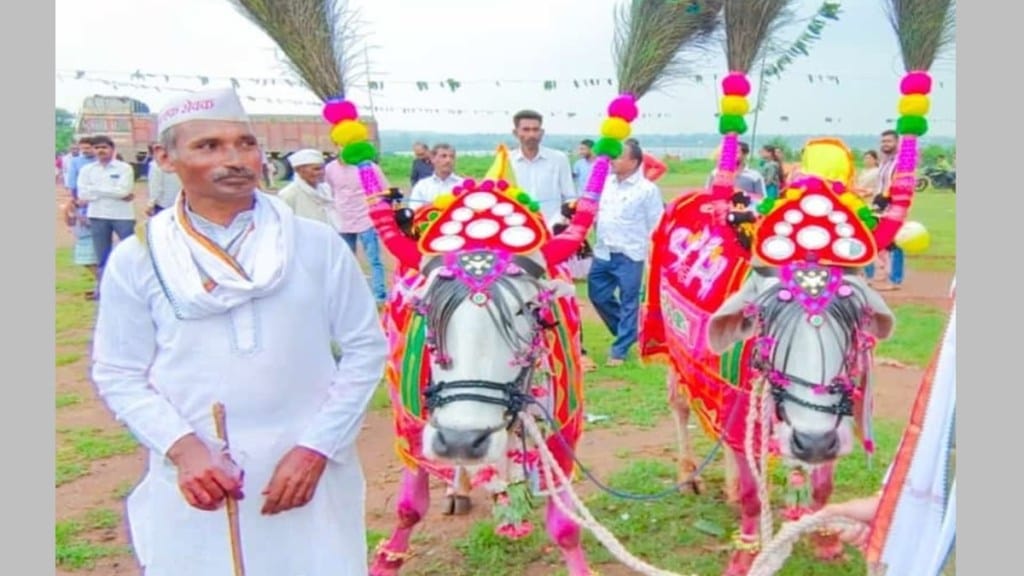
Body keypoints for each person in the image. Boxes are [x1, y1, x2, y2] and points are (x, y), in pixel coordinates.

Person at [90, 86, 389, 576]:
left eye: (245, 143)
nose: (235, 159)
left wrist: (316, 447)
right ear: (164, 158)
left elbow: (365, 349)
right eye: (208, 146)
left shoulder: (314, 244)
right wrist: (183, 449)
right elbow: (118, 372)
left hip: (308, 470)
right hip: (196, 479)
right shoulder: (139, 257)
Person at [588, 140, 665, 367]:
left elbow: (656, 223)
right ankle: (629, 330)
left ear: (634, 162)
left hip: (631, 253)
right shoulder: (606, 183)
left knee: (629, 300)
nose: (613, 160)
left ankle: (619, 350)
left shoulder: (647, 190)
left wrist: (654, 254)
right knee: (597, 295)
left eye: (619, 156)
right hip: (603, 250)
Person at [324, 152, 391, 306]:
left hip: (366, 219)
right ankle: (350, 297)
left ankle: (379, 296)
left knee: (374, 259)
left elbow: (381, 190)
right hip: (343, 220)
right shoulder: (330, 169)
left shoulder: (366, 167)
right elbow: (328, 192)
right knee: (346, 261)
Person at [77, 134, 136, 298]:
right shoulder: (87, 170)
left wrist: (95, 190)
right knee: (102, 254)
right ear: (93, 151)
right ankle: (104, 289)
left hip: (122, 215)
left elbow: (124, 191)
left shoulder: (124, 168)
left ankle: (133, 287)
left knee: (131, 251)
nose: (100, 150)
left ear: (112, 149)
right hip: (97, 215)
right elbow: (83, 194)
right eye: (97, 148)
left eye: (104, 147)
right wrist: (113, 191)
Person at [507, 109, 577, 230]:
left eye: (535, 129)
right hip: (517, 230)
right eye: (526, 129)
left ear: (542, 132)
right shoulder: (506, 161)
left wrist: (561, 221)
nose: (531, 135)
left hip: (553, 229)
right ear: (515, 132)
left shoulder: (558, 159)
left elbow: (569, 196)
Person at [866, 130, 903, 291]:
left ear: (897, 142)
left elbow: (900, 185)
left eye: (888, 141)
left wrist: (886, 199)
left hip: (893, 207)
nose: (885, 144)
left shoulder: (901, 162)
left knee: (893, 243)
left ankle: (895, 280)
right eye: (883, 142)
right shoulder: (884, 163)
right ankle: (868, 277)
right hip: (878, 205)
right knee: (869, 238)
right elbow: (880, 185)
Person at [64, 136, 100, 298]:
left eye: (88, 147)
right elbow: (72, 185)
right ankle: (102, 284)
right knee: (86, 251)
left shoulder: (103, 162)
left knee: (98, 251)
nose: (85, 150)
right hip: (83, 206)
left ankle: (103, 285)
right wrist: (76, 206)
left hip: (101, 207)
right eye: (83, 148)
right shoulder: (76, 162)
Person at [277, 149, 341, 230]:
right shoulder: (289, 193)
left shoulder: (325, 189)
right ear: (299, 170)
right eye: (316, 169)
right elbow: (284, 224)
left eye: (322, 168)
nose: (321, 172)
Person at [407, 143, 462, 210]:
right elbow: (415, 211)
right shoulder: (422, 186)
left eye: (452, 157)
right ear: (432, 159)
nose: (448, 160)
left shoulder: (462, 185)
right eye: (443, 156)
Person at [147, 151, 182, 216]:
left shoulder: (156, 165)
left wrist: (151, 204)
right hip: (181, 204)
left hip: (163, 204)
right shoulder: (182, 162)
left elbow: (155, 186)